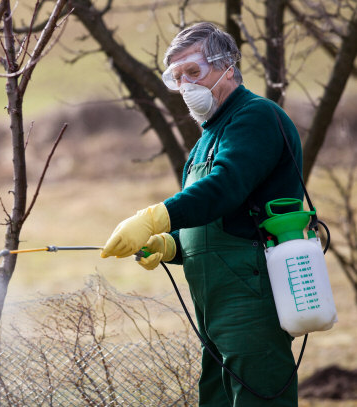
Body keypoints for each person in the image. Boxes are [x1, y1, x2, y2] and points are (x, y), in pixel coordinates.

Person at [101, 22, 303, 406]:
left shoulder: (255, 117)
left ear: (227, 66)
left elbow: (225, 188)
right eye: (178, 78)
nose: (186, 86)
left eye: (193, 72)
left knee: (259, 397)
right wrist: (170, 246)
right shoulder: (206, 138)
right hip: (212, 306)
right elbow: (211, 220)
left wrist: (154, 216)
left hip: (251, 295)